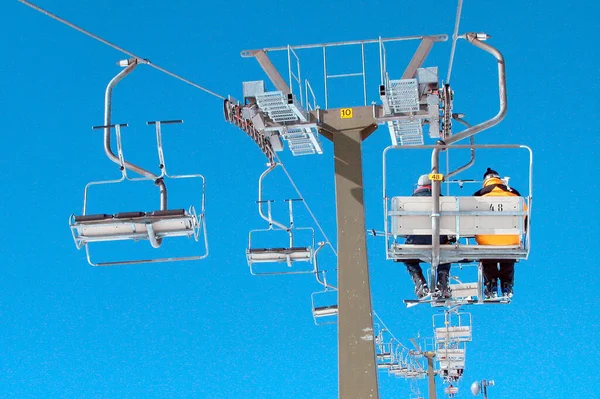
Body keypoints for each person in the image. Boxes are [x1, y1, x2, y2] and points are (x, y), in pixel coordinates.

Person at [473, 168, 523, 299]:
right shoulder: (513, 193)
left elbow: (470, 218)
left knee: (487, 251)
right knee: (508, 250)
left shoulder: (478, 195)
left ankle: (491, 283)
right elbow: (524, 213)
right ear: (499, 178)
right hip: (510, 237)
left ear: (485, 181)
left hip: (487, 239)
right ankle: (506, 285)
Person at [401, 174, 452, 299]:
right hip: (438, 240)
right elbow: (451, 227)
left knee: (408, 256)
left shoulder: (407, 203)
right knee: (445, 251)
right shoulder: (443, 201)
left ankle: (419, 281)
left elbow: (403, 228)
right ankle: (442, 281)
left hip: (416, 240)